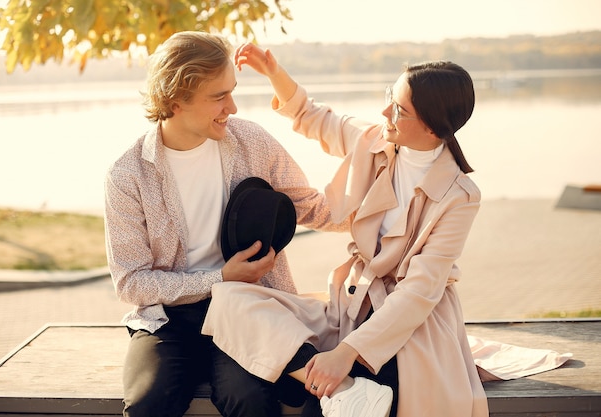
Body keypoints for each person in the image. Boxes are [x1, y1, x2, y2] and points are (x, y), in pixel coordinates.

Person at [201, 43, 490, 417]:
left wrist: (346, 353)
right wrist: (274, 72)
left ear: (433, 126)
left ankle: (340, 387)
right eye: (390, 96)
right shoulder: (373, 141)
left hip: (410, 322)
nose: (385, 111)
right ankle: (341, 386)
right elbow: (313, 116)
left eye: (399, 109)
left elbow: (420, 291)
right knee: (230, 298)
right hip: (351, 303)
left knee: (320, 410)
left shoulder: (460, 196)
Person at [103, 31, 348, 417]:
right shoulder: (128, 175)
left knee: (250, 398)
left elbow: (312, 208)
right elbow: (131, 282)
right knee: (149, 402)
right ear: (174, 101)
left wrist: (394, 218)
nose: (231, 107)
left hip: (249, 311)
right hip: (167, 321)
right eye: (218, 96)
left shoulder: (252, 141)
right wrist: (219, 279)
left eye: (232, 92)